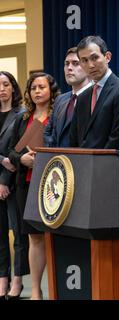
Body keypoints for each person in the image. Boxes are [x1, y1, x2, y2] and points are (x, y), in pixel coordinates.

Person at [8, 72, 60, 300]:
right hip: (25, 186)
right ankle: (37, 291)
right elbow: (11, 151)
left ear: (51, 90)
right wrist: (22, 160)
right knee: (34, 238)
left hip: (53, 186)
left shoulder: (59, 115)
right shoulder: (22, 118)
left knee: (54, 237)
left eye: (41, 87)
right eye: (33, 88)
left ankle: (57, 290)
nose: (37, 91)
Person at [69, 36, 119, 150]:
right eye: (85, 60)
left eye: (94, 58)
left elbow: (118, 139)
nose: (90, 65)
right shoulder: (82, 97)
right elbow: (74, 140)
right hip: (82, 165)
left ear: (107, 57)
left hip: (109, 165)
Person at [0, 71, 28, 300]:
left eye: (5, 84)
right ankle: (2, 279)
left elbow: (17, 152)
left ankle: (17, 280)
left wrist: (4, 181)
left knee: (18, 234)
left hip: (13, 181)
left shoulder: (21, 114)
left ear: (13, 87)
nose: (1, 89)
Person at [44, 47, 91, 147]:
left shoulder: (96, 97)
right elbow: (48, 133)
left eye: (75, 63)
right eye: (66, 63)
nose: (69, 68)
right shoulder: (60, 99)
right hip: (59, 160)